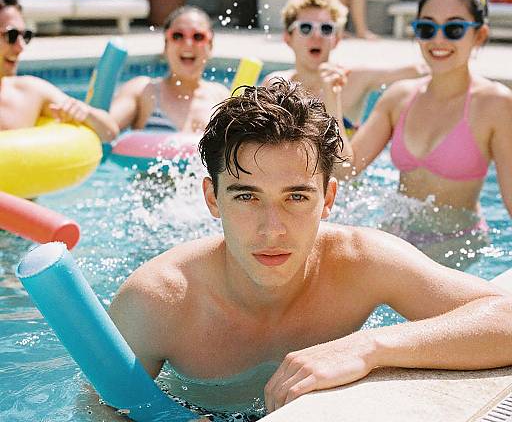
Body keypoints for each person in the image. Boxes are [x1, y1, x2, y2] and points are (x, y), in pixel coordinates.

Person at [108, 80, 512, 418]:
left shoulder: (361, 262)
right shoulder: (157, 301)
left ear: (328, 198)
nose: (273, 229)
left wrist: (367, 347)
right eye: (247, 197)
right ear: (212, 198)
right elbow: (105, 409)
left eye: (296, 197)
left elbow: (504, 318)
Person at [339, 0, 512, 263]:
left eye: (454, 29)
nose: (439, 40)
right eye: (427, 28)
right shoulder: (398, 97)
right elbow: (347, 168)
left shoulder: (495, 105)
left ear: (480, 35)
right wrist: (333, 97)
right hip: (394, 241)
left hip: (457, 248)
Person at [263, 0, 429, 127]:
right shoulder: (275, 84)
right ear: (288, 38)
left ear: (336, 39)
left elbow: (418, 70)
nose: (317, 36)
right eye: (306, 28)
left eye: (326, 29)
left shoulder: (353, 80)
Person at [0, 0, 118, 142]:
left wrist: (84, 112)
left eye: (26, 36)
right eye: (11, 35)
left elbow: (110, 132)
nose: (21, 47)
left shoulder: (30, 92)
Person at [109, 6, 230, 135]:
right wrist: (85, 113)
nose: (188, 43)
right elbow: (106, 129)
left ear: (210, 46)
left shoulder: (221, 98)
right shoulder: (143, 90)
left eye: (198, 36)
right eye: (177, 36)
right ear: (166, 46)